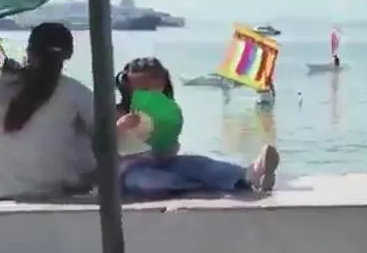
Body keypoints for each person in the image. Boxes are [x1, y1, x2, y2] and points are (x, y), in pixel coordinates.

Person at [117, 57, 278, 195]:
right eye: (143, 89)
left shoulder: (163, 113)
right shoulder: (119, 112)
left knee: (200, 164)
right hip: (130, 171)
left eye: (156, 90)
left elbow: (170, 147)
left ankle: (251, 174)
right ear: (128, 86)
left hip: (165, 162)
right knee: (149, 181)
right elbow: (109, 151)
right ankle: (199, 184)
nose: (149, 96)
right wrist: (121, 128)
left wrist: (168, 146)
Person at [0, 23, 95, 199]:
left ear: (29, 51)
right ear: (68, 54)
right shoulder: (76, 92)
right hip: (50, 189)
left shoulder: (0, 88)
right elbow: (108, 137)